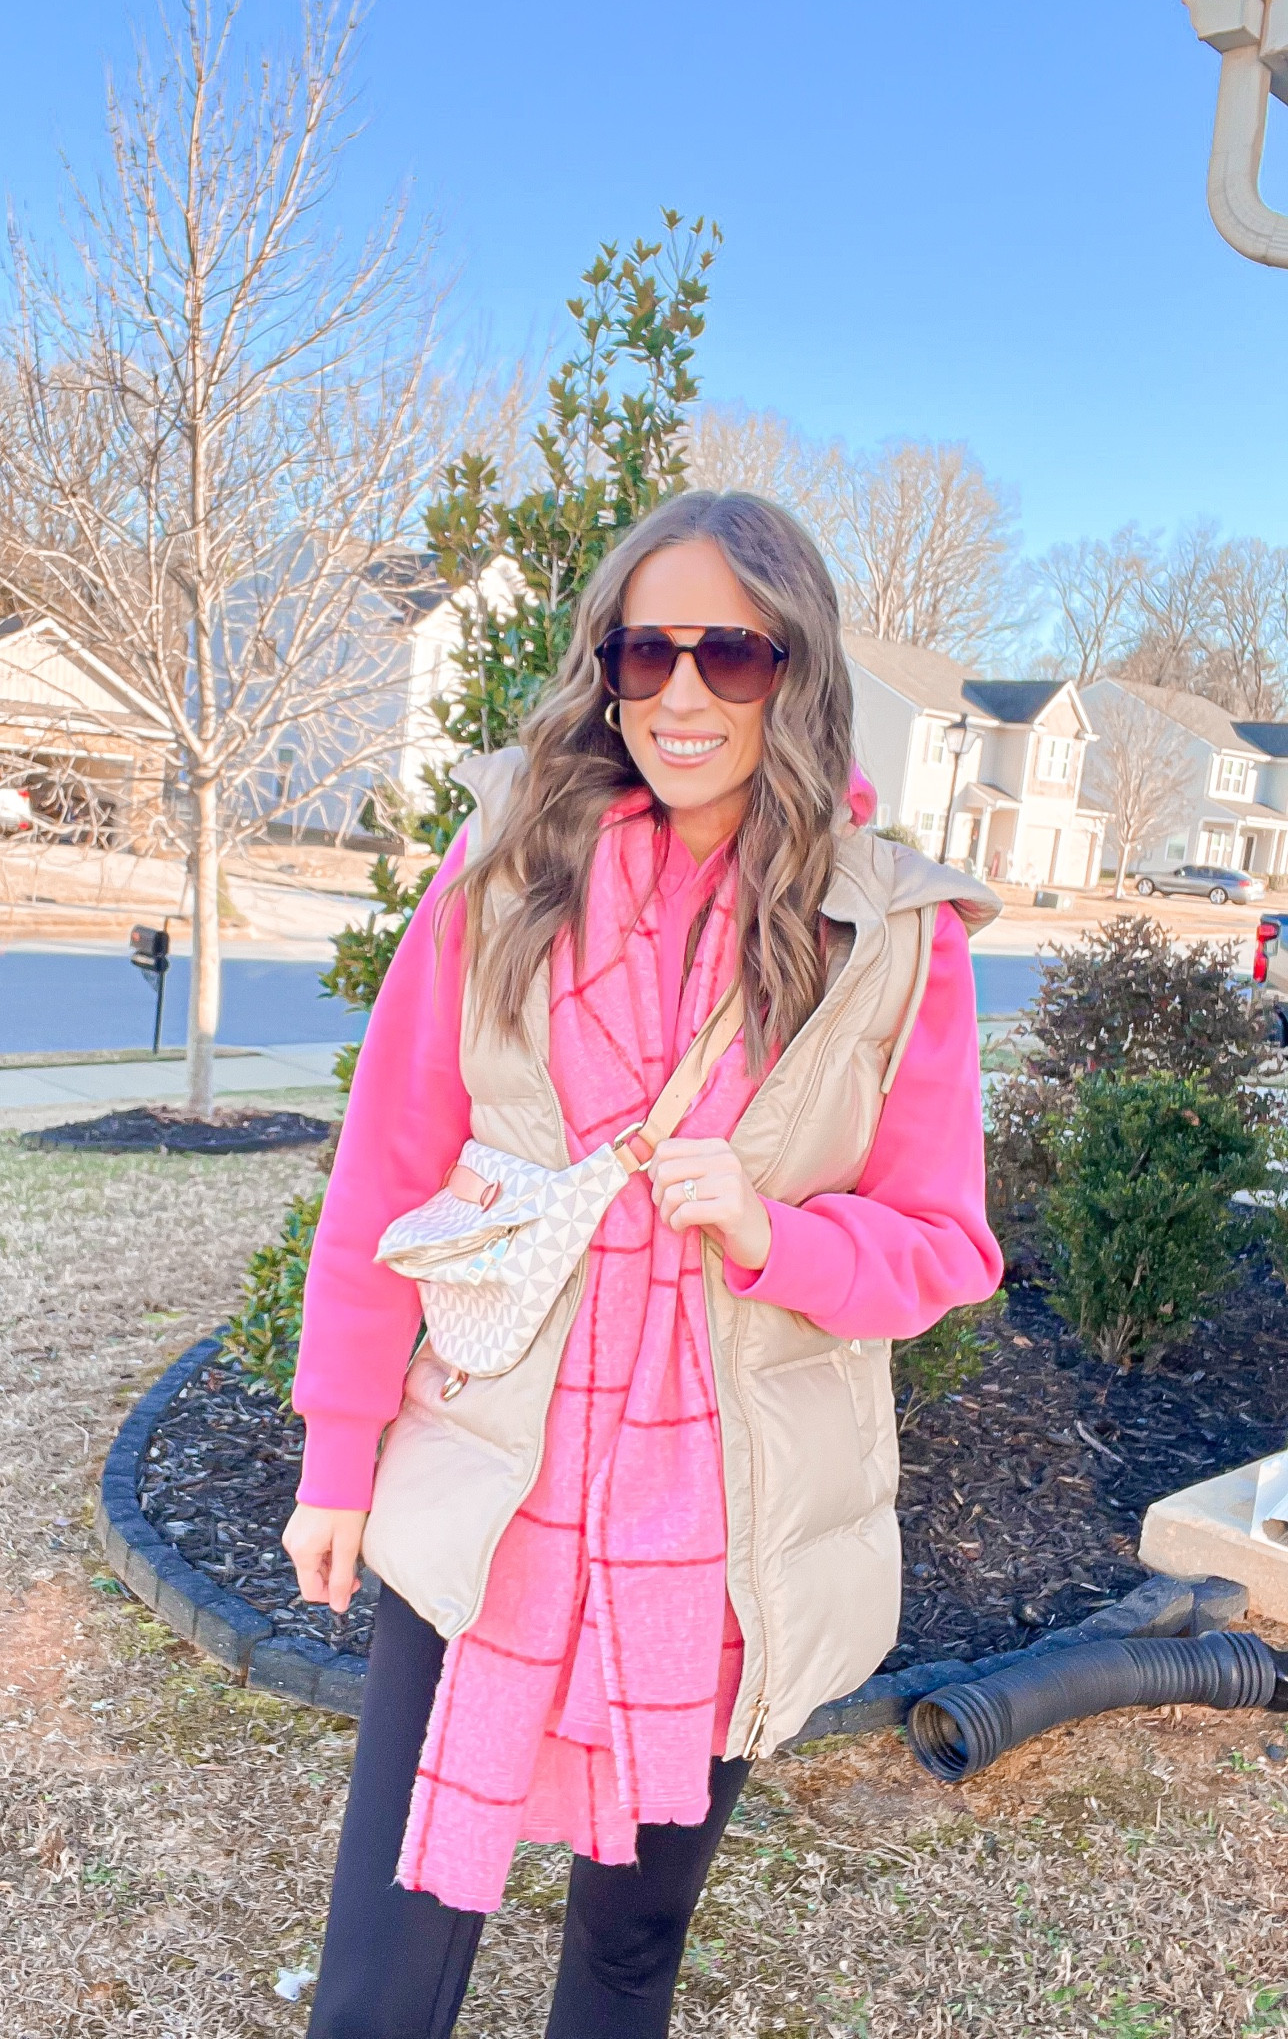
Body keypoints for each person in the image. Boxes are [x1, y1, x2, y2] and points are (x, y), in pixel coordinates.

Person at [284, 490, 1003, 2038]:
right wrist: (336, 1460)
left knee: (629, 1948)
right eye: (646, 651)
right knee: (390, 1951)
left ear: (794, 671)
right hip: (491, 1467)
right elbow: (386, 1177)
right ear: (606, 666)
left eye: (728, 655)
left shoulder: (890, 934)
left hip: (723, 1511)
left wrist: (769, 1229)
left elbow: (944, 1244)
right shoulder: (506, 871)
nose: (681, 695)